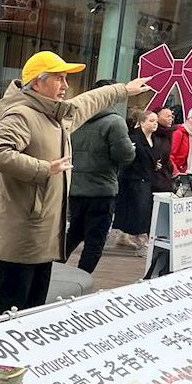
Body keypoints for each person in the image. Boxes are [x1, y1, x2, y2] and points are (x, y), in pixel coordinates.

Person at [0, 52, 150, 316]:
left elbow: (89, 101)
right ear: (37, 83)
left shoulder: (55, 114)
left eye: (65, 78)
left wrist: (123, 90)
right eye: (58, 78)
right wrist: (44, 168)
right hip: (23, 238)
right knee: (8, 310)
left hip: (42, 237)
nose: (65, 85)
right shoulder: (22, 115)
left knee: (31, 312)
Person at [65, 79, 135, 274]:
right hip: (101, 189)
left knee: (73, 233)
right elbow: (125, 155)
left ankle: (52, 271)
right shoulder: (114, 122)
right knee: (95, 241)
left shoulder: (75, 118)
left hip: (75, 187)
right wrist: (132, 150)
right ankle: (82, 278)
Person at [112, 110, 164, 250]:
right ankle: (139, 236)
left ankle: (127, 235)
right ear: (142, 123)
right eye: (151, 121)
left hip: (147, 177)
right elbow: (128, 159)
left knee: (142, 208)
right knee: (138, 208)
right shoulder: (134, 138)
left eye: (156, 121)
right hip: (133, 178)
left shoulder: (155, 140)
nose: (155, 124)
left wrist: (155, 165)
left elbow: (154, 158)